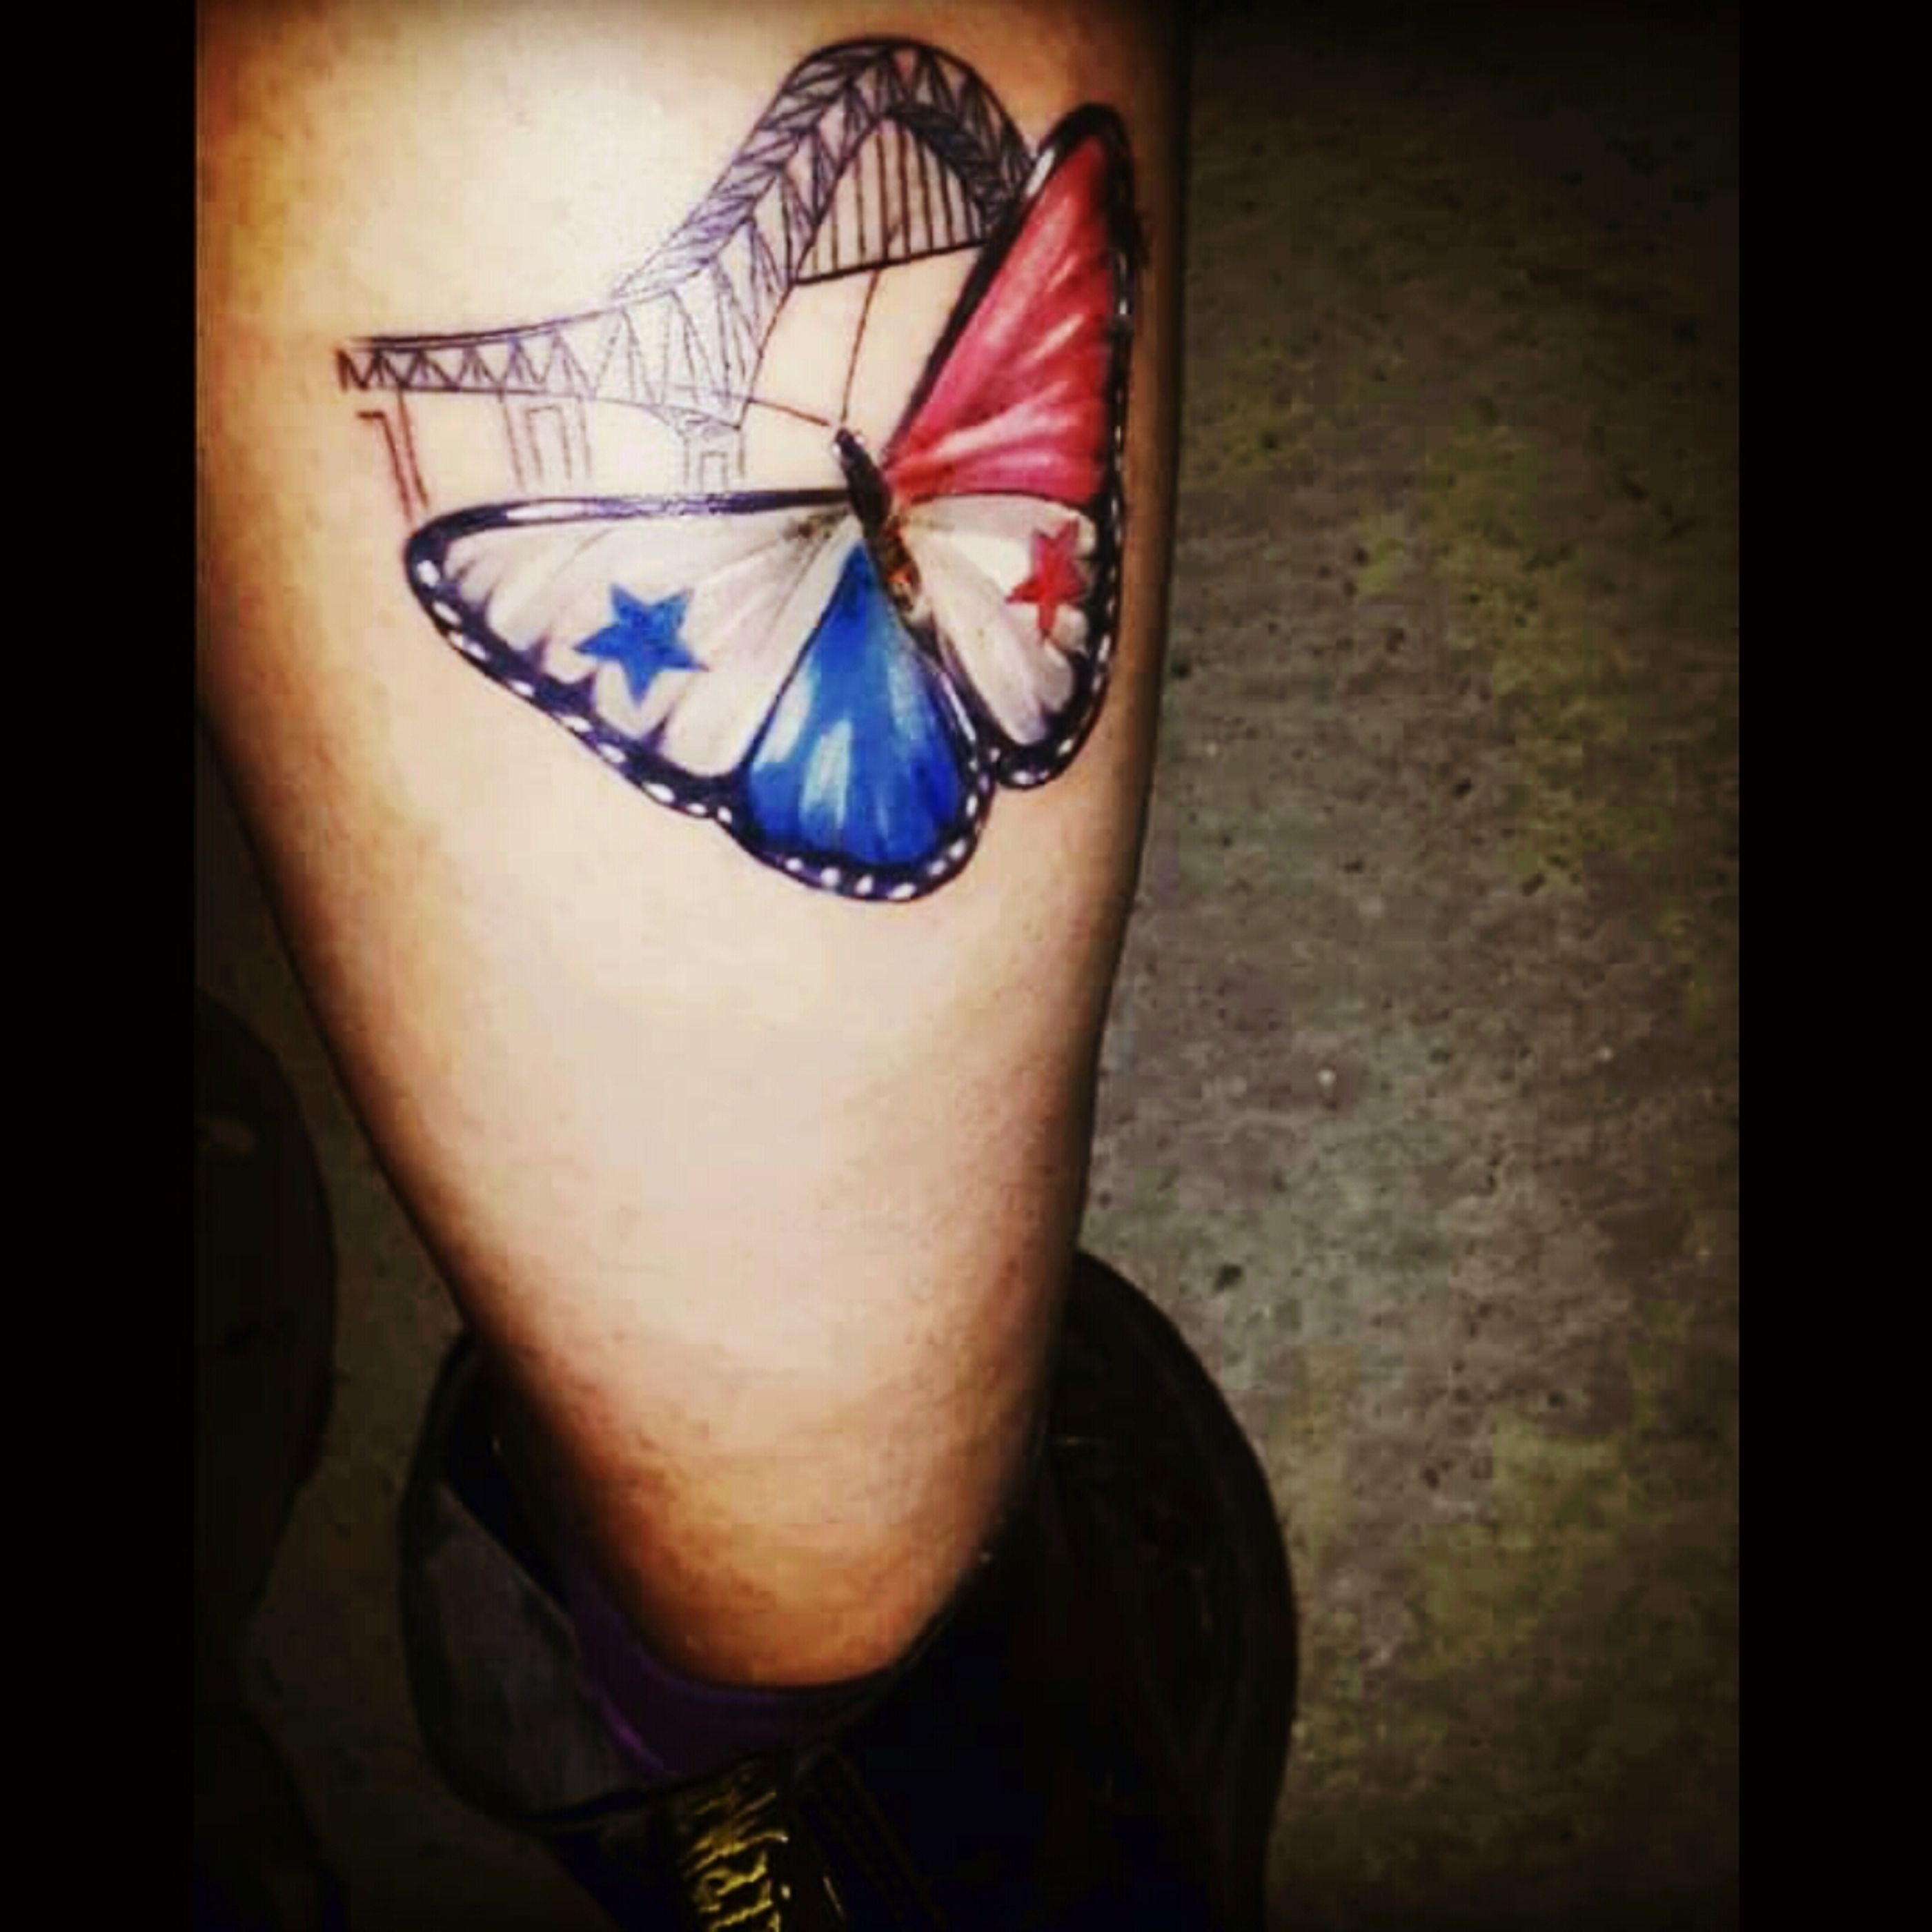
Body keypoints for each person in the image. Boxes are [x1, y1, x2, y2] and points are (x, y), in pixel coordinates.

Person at [197, 3, 1294, 1924]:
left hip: (836, 681)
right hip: (920, 606)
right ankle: (849, 1748)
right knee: (833, 1554)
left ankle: (735, 1730)